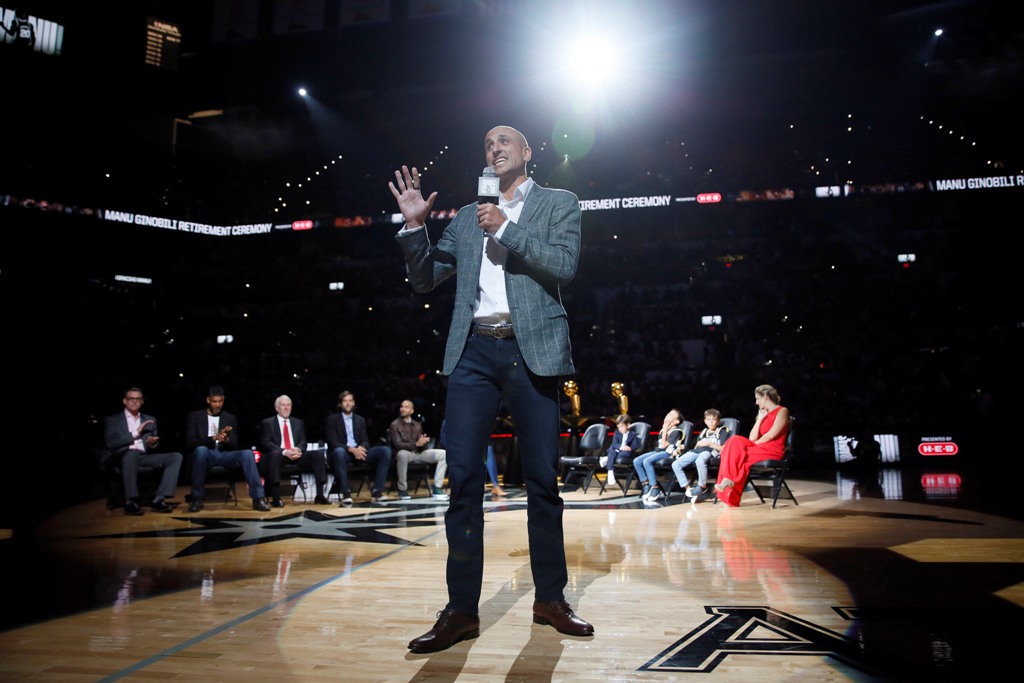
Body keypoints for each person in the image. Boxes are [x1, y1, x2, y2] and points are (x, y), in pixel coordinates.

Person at [390, 124, 593, 653]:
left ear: (527, 152)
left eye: (506, 141)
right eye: (487, 143)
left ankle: (550, 597)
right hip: (474, 352)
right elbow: (424, 279)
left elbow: (564, 266)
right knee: (461, 481)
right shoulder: (464, 217)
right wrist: (415, 231)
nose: (495, 147)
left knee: (542, 482)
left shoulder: (558, 203)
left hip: (532, 351)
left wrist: (505, 227)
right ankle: (461, 611)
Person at [184, 386, 271, 513]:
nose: (217, 405)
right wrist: (213, 438)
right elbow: (190, 443)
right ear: (208, 400)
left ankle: (258, 498)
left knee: (247, 454)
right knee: (201, 450)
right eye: (214, 401)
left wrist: (226, 440)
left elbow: (234, 445)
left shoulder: (229, 418)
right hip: (206, 454)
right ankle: (197, 498)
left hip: (224, 454)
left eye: (220, 401)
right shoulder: (195, 417)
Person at [101, 387, 183, 516]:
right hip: (118, 456)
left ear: (142, 402)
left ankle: (159, 499)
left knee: (175, 456)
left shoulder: (150, 419)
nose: (134, 401)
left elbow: (154, 446)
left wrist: (152, 443)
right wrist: (135, 433)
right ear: (124, 401)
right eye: (131, 399)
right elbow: (111, 444)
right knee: (131, 454)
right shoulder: (112, 420)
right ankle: (131, 501)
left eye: (138, 399)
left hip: (141, 456)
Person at [715, 385, 790, 507]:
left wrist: (753, 445)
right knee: (734, 441)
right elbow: (752, 438)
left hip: (772, 449)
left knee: (737, 453)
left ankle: (729, 484)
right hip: (758, 447)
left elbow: (770, 435)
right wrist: (760, 419)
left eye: (758, 399)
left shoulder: (782, 411)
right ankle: (728, 482)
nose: (756, 402)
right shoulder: (762, 414)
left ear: (765, 397)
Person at [258, 395, 328, 507]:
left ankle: (320, 495)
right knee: (275, 454)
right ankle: (276, 498)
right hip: (280, 456)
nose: (286, 408)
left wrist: (298, 449)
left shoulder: (298, 422)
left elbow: (303, 442)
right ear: (277, 408)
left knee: (318, 454)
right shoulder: (268, 423)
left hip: (296, 455)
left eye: (288, 405)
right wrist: (285, 451)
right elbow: (266, 443)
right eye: (283, 405)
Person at [325, 390, 392, 505]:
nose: (348, 403)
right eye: (345, 401)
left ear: (354, 403)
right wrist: (351, 449)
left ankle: (377, 491)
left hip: (359, 452)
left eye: (350, 400)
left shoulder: (360, 420)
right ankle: (346, 492)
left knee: (385, 451)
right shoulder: (332, 420)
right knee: (338, 452)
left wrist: (361, 448)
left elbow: (365, 440)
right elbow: (333, 443)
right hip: (344, 453)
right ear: (340, 404)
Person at [387, 399, 449, 501]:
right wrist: (416, 444)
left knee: (444, 454)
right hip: (405, 453)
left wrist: (423, 442)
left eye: (406, 407)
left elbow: (420, 445)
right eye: (402, 407)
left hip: (418, 452)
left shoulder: (417, 425)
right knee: (402, 454)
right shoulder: (395, 425)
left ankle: (437, 488)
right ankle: (402, 489)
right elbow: (398, 445)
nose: (402, 409)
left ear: (411, 411)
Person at [671, 408, 731, 503]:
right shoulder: (703, 432)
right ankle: (689, 489)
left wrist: (709, 444)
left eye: (713, 419)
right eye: (708, 419)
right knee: (676, 464)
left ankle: (702, 486)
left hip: (711, 451)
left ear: (718, 421)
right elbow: (697, 445)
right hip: (697, 451)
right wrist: (698, 444)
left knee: (700, 461)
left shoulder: (723, 431)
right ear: (705, 421)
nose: (711, 422)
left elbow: (724, 449)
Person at [441, 419, 504, 497]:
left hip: (471, 448)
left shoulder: (470, 419)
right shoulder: (448, 420)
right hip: (457, 449)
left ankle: (495, 486)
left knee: (487, 450)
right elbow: (444, 441)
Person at [631, 408, 682, 502]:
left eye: (671, 414)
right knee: (636, 461)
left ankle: (655, 487)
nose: (668, 415)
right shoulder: (663, 430)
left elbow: (663, 446)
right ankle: (646, 484)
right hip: (657, 451)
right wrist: (665, 429)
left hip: (668, 453)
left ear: (676, 421)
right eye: (668, 413)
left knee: (647, 461)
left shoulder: (676, 431)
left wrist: (666, 428)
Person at [602, 413, 639, 489]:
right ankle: (610, 471)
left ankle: (608, 459)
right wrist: (622, 447)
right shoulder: (617, 433)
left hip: (625, 453)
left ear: (628, 425)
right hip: (617, 450)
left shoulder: (633, 434)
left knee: (623, 454)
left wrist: (629, 448)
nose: (620, 429)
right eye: (618, 427)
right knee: (612, 451)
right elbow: (614, 444)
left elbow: (635, 446)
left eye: (622, 426)